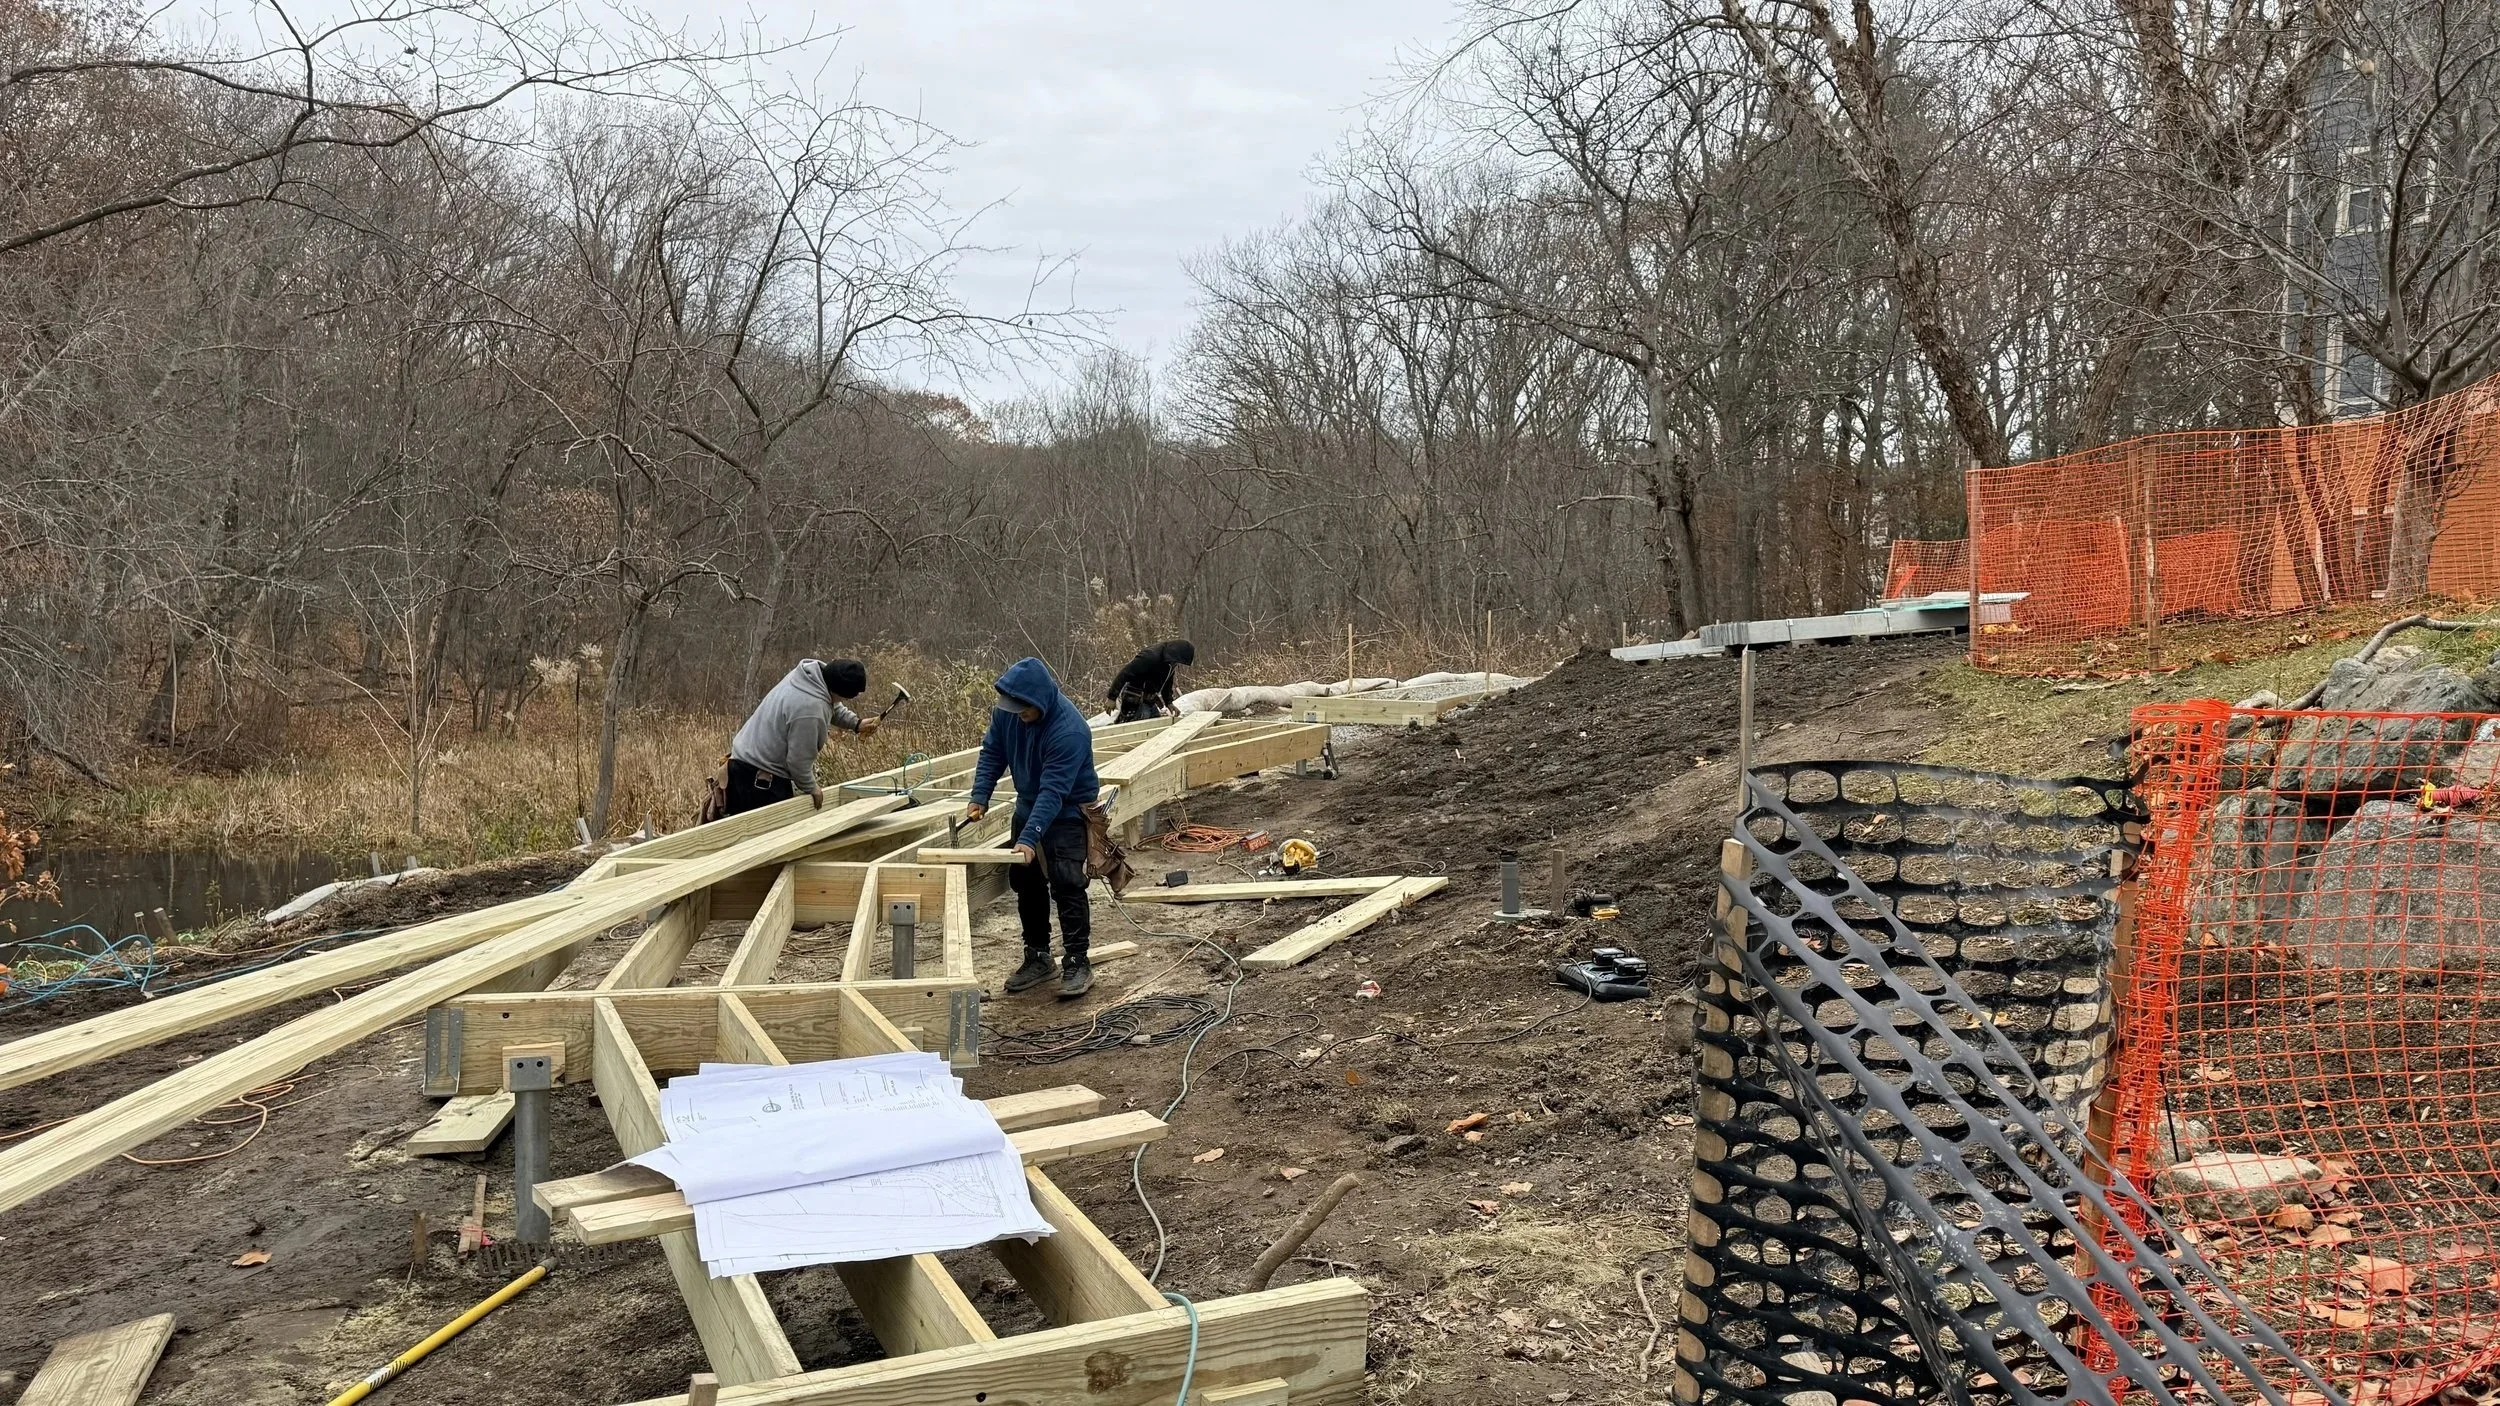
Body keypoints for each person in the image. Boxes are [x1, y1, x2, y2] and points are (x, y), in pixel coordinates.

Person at [967, 657, 1102, 998]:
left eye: (1024, 710)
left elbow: (1054, 791)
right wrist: (980, 795)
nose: (1018, 715)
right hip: (1029, 806)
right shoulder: (1008, 712)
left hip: (1068, 810)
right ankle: (1039, 956)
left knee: (1067, 882)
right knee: (1026, 882)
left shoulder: (1069, 730)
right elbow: (992, 752)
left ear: (1039, 702)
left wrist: (1030, 838)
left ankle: (1077, 961)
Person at [721, 658, 879, 816]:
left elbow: (832, 705)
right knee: (772, 837)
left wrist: (857, 724)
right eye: (845, 697)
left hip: (742, 764)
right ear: (839, 691)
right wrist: (812, 788)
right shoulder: (810, 709)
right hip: (758, 781)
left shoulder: (809, 678)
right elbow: (798, 761)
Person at [1105, 639, 1196, 723]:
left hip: (1150, 699)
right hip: (1135, 696)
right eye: (1177, 662)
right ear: (1175, 655)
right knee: (1138, 727)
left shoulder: (1170, 662)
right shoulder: (1150, 656)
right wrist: (1112, 697)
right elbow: (1125, 673)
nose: (1176, 664)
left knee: (1155, 724)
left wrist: (1168, 702)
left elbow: (1167, 682)